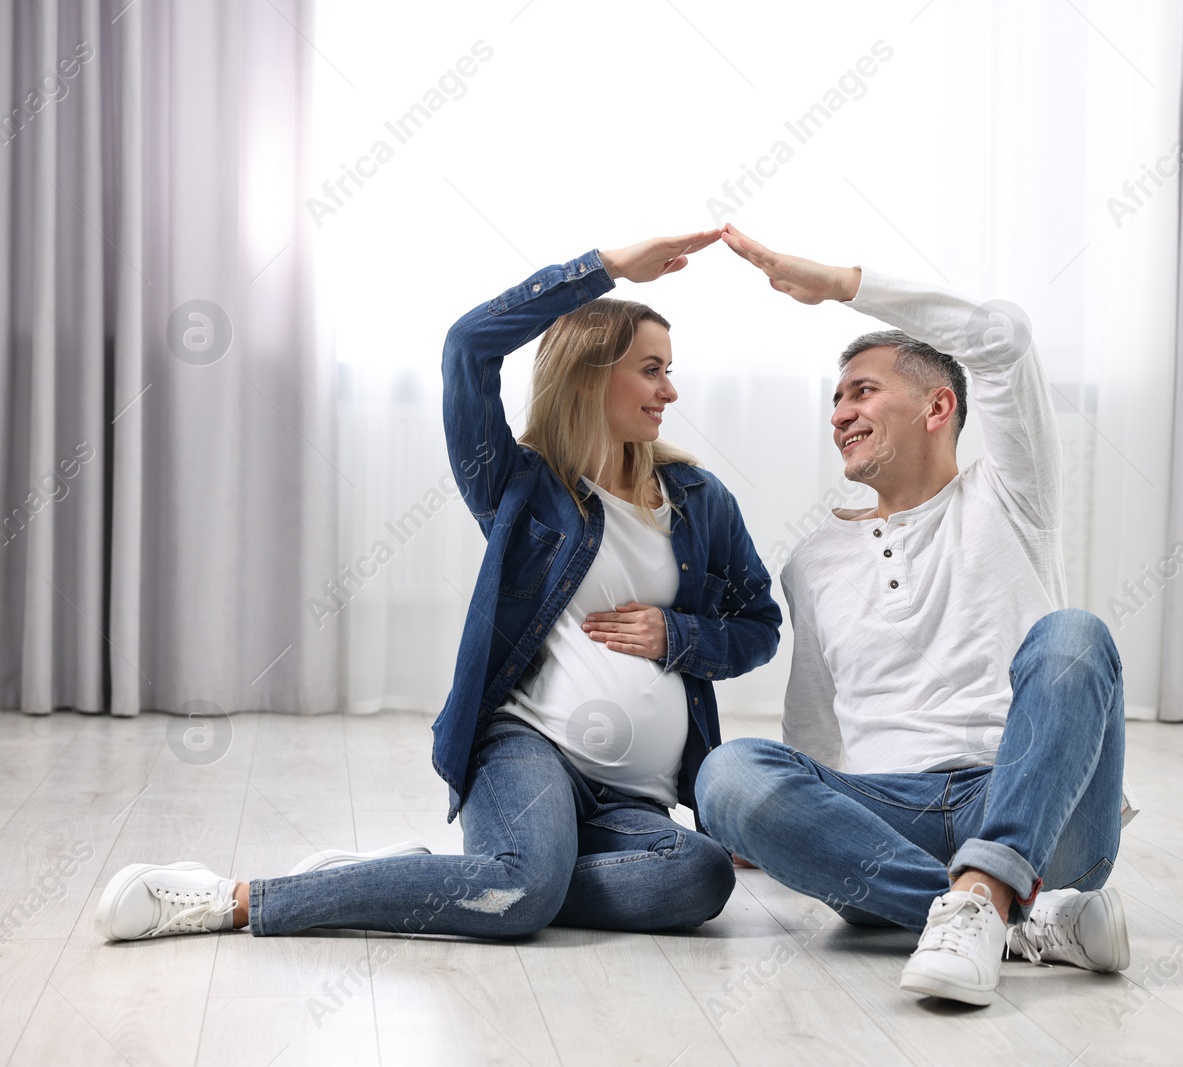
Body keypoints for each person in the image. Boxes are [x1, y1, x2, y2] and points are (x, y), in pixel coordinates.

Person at [96, 231, 783, 943]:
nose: (670, 390)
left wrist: (681, 635)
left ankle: (467, 878)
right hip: (528, 747)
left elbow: (760, 623)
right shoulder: (520, 486)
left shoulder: (699, 498)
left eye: (670, 369)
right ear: (588, 373)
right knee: (520, 892)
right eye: (650, 369)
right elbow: (469, 346)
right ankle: (235, 897)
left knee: (701, 875)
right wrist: (603, 270)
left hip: (632, 799)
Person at [695, 226, 1130, 1007]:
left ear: (939, 405)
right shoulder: (814, 560)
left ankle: (991, 888)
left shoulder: (1010, 496)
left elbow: (1001, 335)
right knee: (728, 774)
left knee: (1076, 635)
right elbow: (816, 730)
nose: (841, 412)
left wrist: (840, 283)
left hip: (1032, 803)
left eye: (863, 390)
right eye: (836, 398)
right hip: (887, 819)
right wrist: (783, 826)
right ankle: (1012, 915)